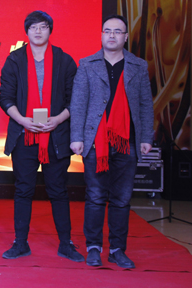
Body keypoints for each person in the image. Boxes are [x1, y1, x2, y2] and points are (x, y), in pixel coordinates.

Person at [70, 15, 154, 269]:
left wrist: (146, 137)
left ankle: (118, 249)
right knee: (95, 196)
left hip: (127, 141)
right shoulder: (87, 64)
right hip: (96, 141)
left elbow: (145, 104)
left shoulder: (138, 66)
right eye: (107, 31)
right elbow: (78, 103)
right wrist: (76, 137)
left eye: (118, 32)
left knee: (122, 198)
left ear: (125, 37)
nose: (112, 35)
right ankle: (94, 247)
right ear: (101, 35)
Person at [0, 11, 84, 262]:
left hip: (56, 136)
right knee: (23, 190)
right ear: (26, 31)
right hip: (23, 136)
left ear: (50, 30)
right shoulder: (14, 60)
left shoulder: (64, 61)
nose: (38, 31)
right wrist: (23, 120)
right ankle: (20, 243)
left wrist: (57, 119)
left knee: (58, 190)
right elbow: (6, 98)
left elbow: (74, 99)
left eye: (43, 27)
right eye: (33, 27)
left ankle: (66, 244)